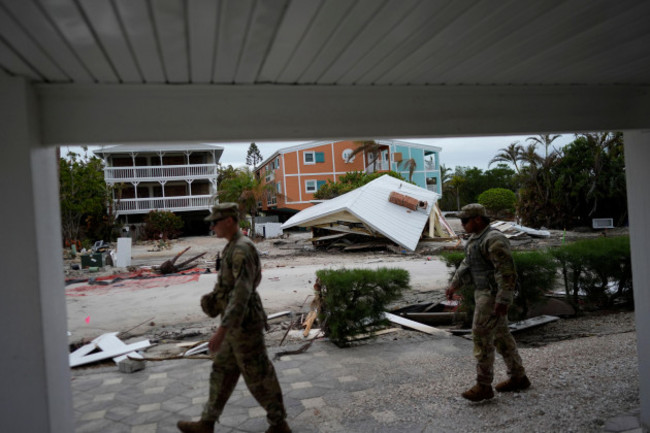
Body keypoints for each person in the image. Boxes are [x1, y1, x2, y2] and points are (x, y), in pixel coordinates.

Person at [177, 203, 291, 433]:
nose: (213, 227)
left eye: (215, 222)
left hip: (244, 325)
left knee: (258, 374)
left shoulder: (242, 249)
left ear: (229, 220)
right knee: (222, 370)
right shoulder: (232, 247)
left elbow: (243, 291)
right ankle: (207, 422)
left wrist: (222, 330)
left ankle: (279, 424)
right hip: (235, 324)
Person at [446, 203, 531, 402]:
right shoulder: (476, 240)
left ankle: (483, 385)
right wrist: (453, 285)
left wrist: (503, 299)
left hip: (491, 296)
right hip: (482, 293)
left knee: (481, 338)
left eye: (465, 220)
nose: (462, 224)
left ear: (477, 219)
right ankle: (518, 376)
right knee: (502, 337)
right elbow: (467, 264)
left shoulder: (494, 239)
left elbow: (506, 272)